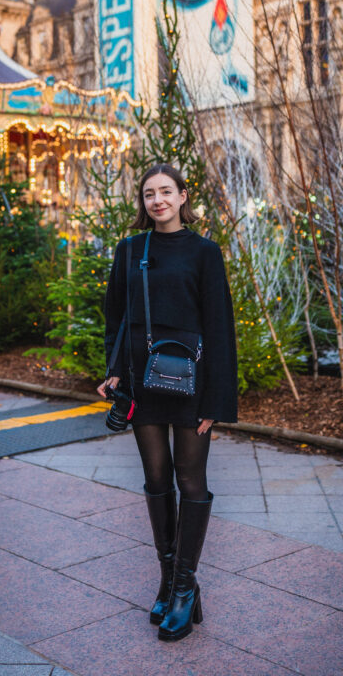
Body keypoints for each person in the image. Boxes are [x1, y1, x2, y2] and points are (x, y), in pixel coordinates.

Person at [97, 163, 237, 642]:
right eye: (148, 194)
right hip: (142, 380)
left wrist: (216, 400)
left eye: (165, 192)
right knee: (156, 478)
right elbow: (115, 314)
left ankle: (183, 588)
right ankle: (169, 581)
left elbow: (219, 327)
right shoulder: (131, 249)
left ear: (182, 197)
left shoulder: (204, 252)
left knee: (189, 478)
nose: (157, 200)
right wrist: (114, 368)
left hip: (192, 383)